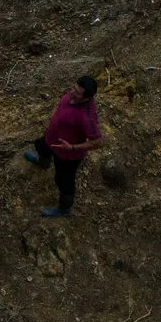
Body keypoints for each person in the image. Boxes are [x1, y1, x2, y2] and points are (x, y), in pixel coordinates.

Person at [24, 76, 103, 217]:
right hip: (51, 139)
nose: (72, 92)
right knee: (40, 145)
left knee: (64, 182)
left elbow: (98, 142)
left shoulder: (86, 117)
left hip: (67, 155)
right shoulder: (72, 95)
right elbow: (61, 106)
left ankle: (64, 210)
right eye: (74, 88)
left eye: (77, 92)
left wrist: (72, 147)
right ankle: (43, 162)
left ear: (86, 97)